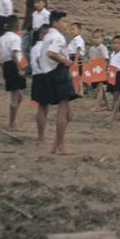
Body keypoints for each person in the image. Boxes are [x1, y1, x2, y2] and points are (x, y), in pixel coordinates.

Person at [40, 10, 78, 155]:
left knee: (68, 113)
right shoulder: (58, 37)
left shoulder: (47, 37)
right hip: (59, 72)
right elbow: (51, 53)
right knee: (63, 111)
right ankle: (61, 146)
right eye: (63, 21)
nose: (66, 25)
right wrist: (65, 61)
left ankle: (55, 145)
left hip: (49, 73)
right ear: (55, 23)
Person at [0, 15, 27, 133]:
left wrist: (2, 67)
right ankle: (12, 123)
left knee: (19, 96)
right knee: (15, 97)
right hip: (14, 65)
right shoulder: (16, 38)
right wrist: (19, 69)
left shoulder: (1, 38)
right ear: (16, 26)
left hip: (6, 65)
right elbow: (14, 54)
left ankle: (12, 121)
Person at [21, 0, 47, 74]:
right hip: (27, 22)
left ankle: (36, 69)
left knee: (35, 48)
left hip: (36, 24)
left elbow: (43, 6)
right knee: (24, 47)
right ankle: (30, 67)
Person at [31, 25, 50, 142]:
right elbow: (39, 60)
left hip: (37, 76)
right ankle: (41, 136)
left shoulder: (35, 47)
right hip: (43, 76)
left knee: (43, 106)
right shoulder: (42, 47)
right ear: (42, 35)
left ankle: (41, 135)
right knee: (42, 107)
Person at [88, 29, 110, 112]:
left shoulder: (102, 48)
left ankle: (97, 106)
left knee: (100, 88)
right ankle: (108, 105)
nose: (95, 39)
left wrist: (104, 70)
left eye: (97, 38)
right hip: (94, 69)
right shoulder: (91, 48)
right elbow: (91, 59)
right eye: (94, 38)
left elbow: (105, 59)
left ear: (102, 39)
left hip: (101, 69)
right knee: (101, 88)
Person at [67, 22, 86, 98]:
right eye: (71, 29)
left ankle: (80, 92)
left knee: (78, 75)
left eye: (73, 29)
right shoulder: (73, 40)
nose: (71, 31)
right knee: (74, 75)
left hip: (76, 58)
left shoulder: (78, 39)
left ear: (79, 30)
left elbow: (78, 49)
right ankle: (76, 90)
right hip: (72, 58)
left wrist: (75, 61)